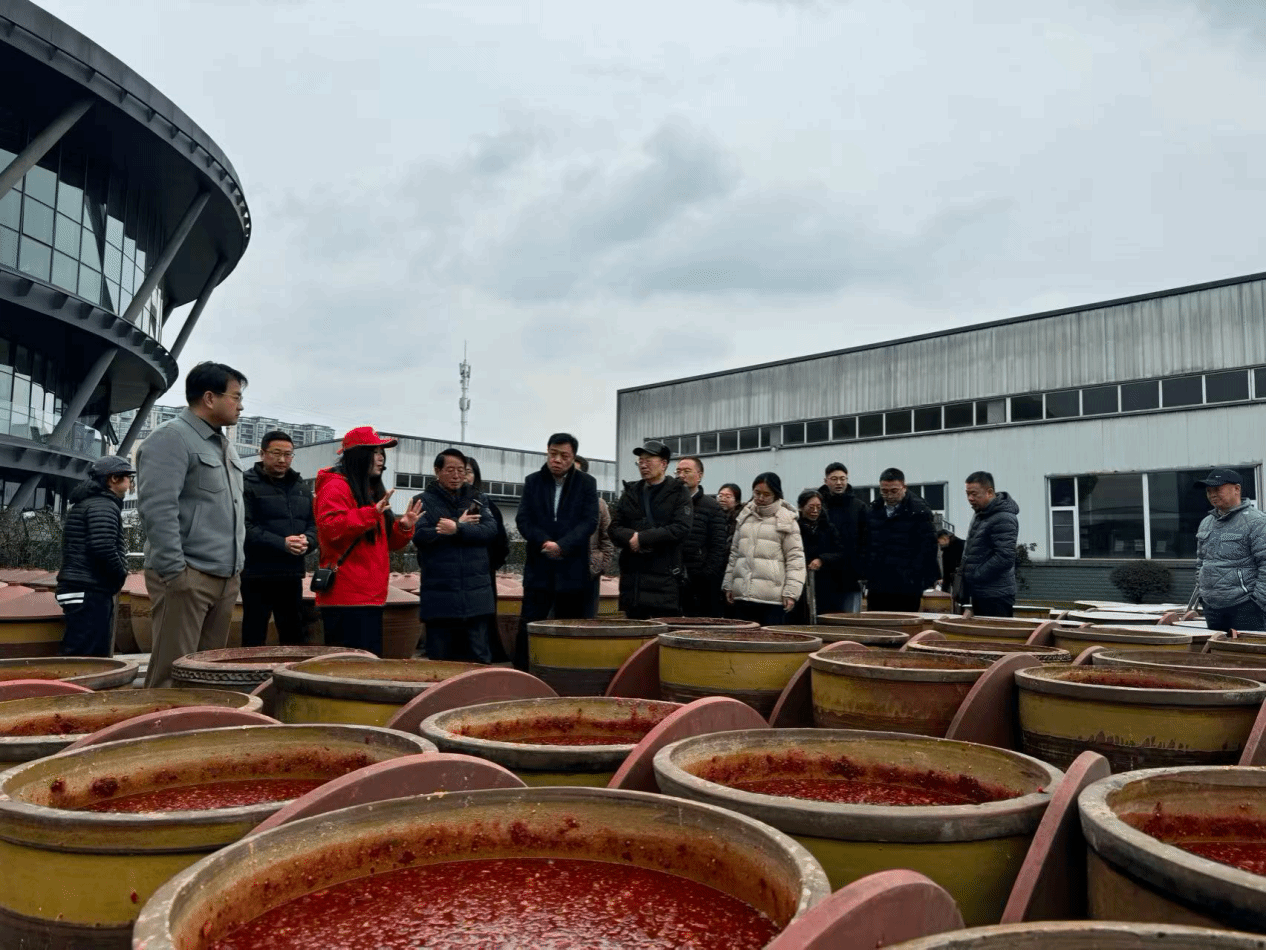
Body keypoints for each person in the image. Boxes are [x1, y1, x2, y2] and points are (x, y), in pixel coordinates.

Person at [138, 361, 248, 688]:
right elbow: (157, 509)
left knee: (208, 675)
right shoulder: (171, 438)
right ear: (210, 398)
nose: (241, 406)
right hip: (188, 576)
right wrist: (176, 572)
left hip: (225, 577)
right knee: (172, 675)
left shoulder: (223, 445)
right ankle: (159, 721)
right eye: (236, 397)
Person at [313, 427, 422, 655]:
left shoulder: (370, 490)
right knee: (350, 666)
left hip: (370, 596)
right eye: (375, 452)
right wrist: (370, 513)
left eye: (382, 452)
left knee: (366, 663)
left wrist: (403, 526)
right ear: (359, 456)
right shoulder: (335, 486)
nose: (381, 458)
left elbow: (384, 543)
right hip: (346, 598)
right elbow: (332, 529)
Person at [514, 434, 599, 669]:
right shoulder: (533, 481)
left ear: (573, 457)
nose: (557, 460)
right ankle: (523, 673)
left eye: (564, 456)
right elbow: (523, 520)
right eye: (553, 454)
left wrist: (563, 545)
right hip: (539, 564)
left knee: (570, 625)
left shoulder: (586, 483)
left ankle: (568, 674)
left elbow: (589, 522)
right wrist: (544, 542)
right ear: (547, 452)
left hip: (572, 566)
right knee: (530, 623)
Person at [414, 448, 498, 661]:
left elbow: (490, 530)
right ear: (437, 471)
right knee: (441, 661)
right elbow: (420, 535)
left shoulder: (478, 499)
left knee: (479, 659)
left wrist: (458, 528)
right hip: (440, 596)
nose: (456, 475)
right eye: (450, 470)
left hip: (476, 595)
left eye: (461, 470)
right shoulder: (422, 501)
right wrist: (456, 524)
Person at [241, 430, 316, 648]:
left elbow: (314, 525)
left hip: (291, 574)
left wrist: (308, 541)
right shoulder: (246, 483)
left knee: (293, 635)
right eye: (276, 453)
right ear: (262, 454)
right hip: (256, 574)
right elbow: (244, 528)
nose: (282, 459)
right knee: (254, 635)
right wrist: (282, 543)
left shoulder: (300, 487)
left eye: (288, 454)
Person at [55, 455, 134, 656]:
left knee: (82, 650)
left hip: (79, 587)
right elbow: (103, 548)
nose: (130, 482)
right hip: (89, 589)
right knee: (87, 656)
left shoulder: (89, 502)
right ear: (113, 479)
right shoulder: (103, 505)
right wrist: (120, 574)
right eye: (128, 477)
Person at [609, 440, 693, 619]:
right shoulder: (631, 492)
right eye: (640, 461)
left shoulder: (678, 492)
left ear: (664, 464)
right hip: (633, 583)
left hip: (664, 583)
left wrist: (642, 538)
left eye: (648, 460)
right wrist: (631, 537)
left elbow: (681, 528)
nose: (643, 465)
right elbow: (614, 528)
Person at [723, 472, 806, 626]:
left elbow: (795, 559)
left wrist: (791, 593)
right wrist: (729, 584)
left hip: (773, 599)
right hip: (743, 595)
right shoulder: (744, 516)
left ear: (776, 494)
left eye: (766, 494)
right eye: (757, 493)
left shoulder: (786, 519)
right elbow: (734, 554)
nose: (760, 498)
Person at [1195, 468, 1266, 632]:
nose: (1212, 494)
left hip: (1245, 607)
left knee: (1246, 649)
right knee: (1216, 649)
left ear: (1236, 489)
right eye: (1209, 491)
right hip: (1211, 607)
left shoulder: (1257, 522)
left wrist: (1258, 603)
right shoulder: (1206, 523)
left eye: (1217, 489)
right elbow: (1201, 563)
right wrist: (1202, 595)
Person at [864, 467, 938, 613]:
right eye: (884, 491)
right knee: (877, 621)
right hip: (878, 583)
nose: (889, 495)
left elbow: (928, 549)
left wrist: (918, 579)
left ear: (904, 487)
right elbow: (868, 544)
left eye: (894, 491)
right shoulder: (873, 510)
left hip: (907, 585)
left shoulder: (919, 511)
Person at [465, 456, 510, 661]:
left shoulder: (486, 504)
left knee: (483, 621)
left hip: (483, 573)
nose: (463, 476)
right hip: (454, 574)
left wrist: (491, 565)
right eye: (458, 471)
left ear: (476, 476)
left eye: (468, 472)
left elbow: (501, 542)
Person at [959, 472, 1020, 618]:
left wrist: (976, 575)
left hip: (996, 596)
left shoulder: (1003, 517)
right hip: (981, 592)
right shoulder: (981, 514)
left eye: (974, 494)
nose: (970, 498)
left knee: (995, 631)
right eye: (967, 494)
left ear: (990, 492)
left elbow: (1005, 557)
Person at [675, 455, 728, 618]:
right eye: (678, 471)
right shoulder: (669, 504)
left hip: (700, 581)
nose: (681, 475)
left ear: (699, 475)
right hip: (671, 578)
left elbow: (718, 546)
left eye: (687, 471)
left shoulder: (711, 507)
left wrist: (705, 574)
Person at [816, 462, 868, 614]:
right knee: (823, 619)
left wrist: (861, 571)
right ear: (826, 481)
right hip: (823, 575)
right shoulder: (817, 506)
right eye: (834, 479)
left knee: (849, 621)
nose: (839, 483)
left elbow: (865, 541)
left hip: (850, 577)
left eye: (842, 479)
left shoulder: (859, 507)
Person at [789, 489, 843, 624]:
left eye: (818, 507)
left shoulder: (828, 527)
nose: (815, 511)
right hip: (799, 578)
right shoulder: (793, 527)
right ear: (801, 507)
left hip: (824, 581)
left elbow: (840, 552)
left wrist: (822, 559)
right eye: (811, 507)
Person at [576, 455, 614, 619]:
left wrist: (599, 566)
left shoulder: (598, 504)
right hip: (558, 573)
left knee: (588, 621)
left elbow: (607, 538)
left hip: (588, 571)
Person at [937, 529, 965, 602]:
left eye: (939, 541)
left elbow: (946, 572)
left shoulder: (960, 546)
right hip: (958, 582)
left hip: (962, 581)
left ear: (944, 538)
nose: (939, 544)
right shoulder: (962, 544)